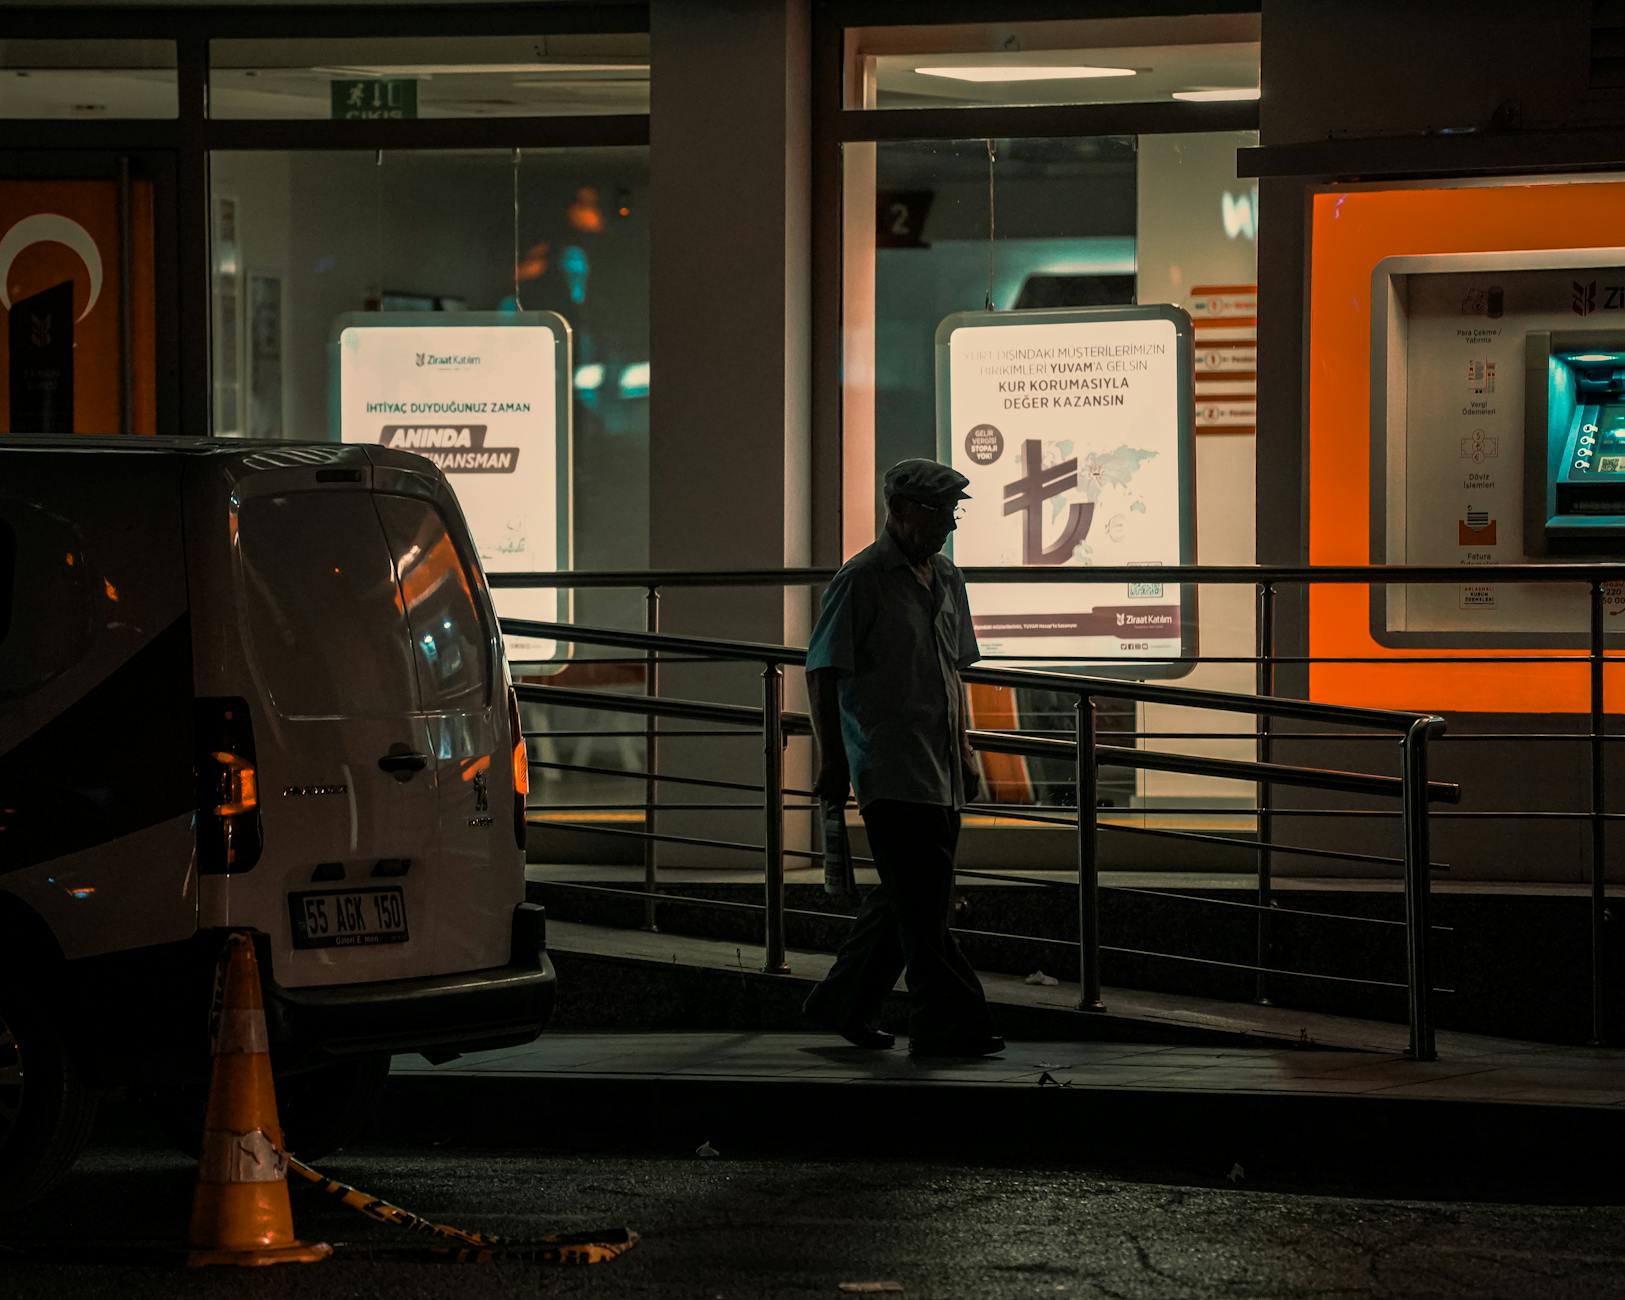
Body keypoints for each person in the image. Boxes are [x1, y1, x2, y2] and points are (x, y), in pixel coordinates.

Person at [801, 458, 1004, 1059]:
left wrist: (965, 748)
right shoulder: (862, 579)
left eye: (953, 512)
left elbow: (952, 674)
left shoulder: (947, 577)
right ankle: (947, 1023)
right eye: (938, 512)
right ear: (900, 511)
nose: (949, 524)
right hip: (889, 764)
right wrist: (833, 761)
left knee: (906, 897)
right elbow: (823, 670)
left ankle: (843, 1002)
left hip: (940, 764)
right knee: (925, 904)